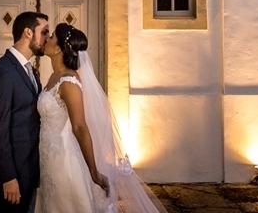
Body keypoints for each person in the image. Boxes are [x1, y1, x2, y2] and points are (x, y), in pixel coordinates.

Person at [38, 23, 168, 213]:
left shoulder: (69, 82)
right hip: (48, 158)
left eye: (51, 37)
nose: (47, 39)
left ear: (58, 48)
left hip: (64, 160)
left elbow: (80, 127)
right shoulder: (53, 77)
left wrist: (93, 170)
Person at [0, 11, 50, 213]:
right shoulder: (3, 72)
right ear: (28, 33)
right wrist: (8, 177)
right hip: (13, 172)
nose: (48, 38)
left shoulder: (28, 69)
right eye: (45, 32)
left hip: (30, 168)